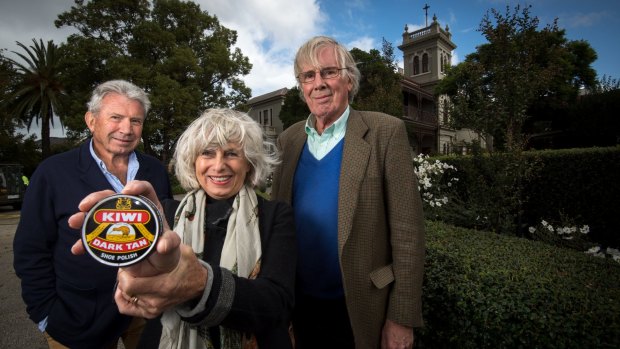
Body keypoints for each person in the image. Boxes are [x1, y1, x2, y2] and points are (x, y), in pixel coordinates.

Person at [69, 108, 297, 349]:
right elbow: (139, 283)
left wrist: (201, 284)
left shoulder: (275, 216)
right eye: (207, 153)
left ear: (249, 163)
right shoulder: (165, 213)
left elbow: (276, 305)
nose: (218, 166)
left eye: (231, 154)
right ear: (193, 161)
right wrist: (132, 279)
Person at [270, 35, 426, 349]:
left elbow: (408, 234)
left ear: (349, 80)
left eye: (328, 72)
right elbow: (277, 223)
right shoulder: (289, 140)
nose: (319, 83)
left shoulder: (385, 132)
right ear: (302, 86)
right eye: (308, 76)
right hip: (299, 305)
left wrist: (401, 317)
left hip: (362, 306)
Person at [13, 79, 172, 349]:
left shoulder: (154, 171)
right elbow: (31, 249)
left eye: (135, 121)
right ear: (91, 120)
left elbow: (165, 232)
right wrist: (45, 314)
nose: (126, 129)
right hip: (78, 318)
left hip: (146, 312)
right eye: (116, 118)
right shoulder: (53, 173)